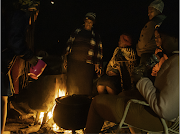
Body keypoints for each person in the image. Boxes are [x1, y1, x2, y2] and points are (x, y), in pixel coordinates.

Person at [84, 16, 179, 133]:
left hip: (161, 120)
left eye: (161, 37)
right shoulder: (171, 58)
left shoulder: (177, 62)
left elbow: (165, 110)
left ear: (175, 38)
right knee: (124, 94)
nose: (157, 41)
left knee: (96, 103)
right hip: (163, 114)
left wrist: (141, 80)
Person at [1, 1, 38, 133]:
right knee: (2, 98)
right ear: (33, 11)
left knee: (3, 97)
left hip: (3, 64)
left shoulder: (9, 15)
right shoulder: (19, 16)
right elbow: (15, 41)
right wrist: (31, 58)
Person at [63, 12, 103, 95]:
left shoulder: (95, 35)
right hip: (73, 62)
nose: (88, 23)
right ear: (84, 21)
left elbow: (99, 50)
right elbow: (69, 44)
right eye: (87, 21)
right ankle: (70, 99)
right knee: (71, 82)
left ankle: (84, 102)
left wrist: (97, 64)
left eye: (90, 22)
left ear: (93, 24)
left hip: (86, 64)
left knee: (85, 85)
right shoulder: (77, 31)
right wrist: (65, 58)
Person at [136, 0, 166, 65]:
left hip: (147, 54)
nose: (148, 14)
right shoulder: (165, 23)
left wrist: (138, 50)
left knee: (143, 72)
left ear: (158, 11)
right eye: (148, 12)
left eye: (151, 12)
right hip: (160, 54)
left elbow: (143, 41)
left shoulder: (152, 24)